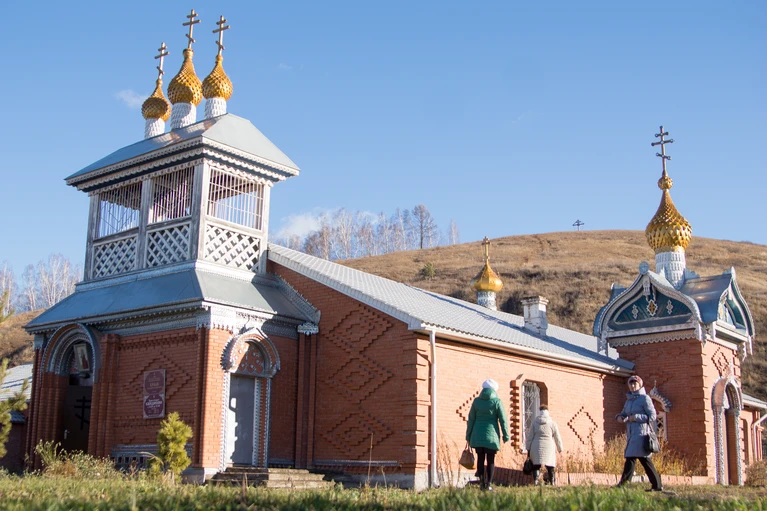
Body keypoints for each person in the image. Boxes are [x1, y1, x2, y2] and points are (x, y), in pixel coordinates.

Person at [615, 375, 663, 491]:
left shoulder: (645, 398)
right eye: (630, 384)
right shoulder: (629, 401)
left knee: (639, 459)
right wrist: (619, 417)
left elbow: (652, 416)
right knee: (634, 459)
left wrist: (636, 417)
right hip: (632, 434)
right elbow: (624, 413)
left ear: (640, 385)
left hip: (642, 434)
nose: (632, 386)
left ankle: (624, 485)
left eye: (635, 383)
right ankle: (656, 485)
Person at [466, 379, 510, 491]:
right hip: (492, 435)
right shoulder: (497, 402)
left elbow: (471, 419)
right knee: (490, 460)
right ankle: (489, 484)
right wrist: (506, 435)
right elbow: (503, 420)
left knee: (480, 458)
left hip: (477, 435)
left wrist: (468, 435)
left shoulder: (476, 401)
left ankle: (481, 483)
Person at [525, 404, 564, 485]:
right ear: (547, 412)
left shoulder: (534, 423)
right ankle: (552, 482)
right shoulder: (552, 424)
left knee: (536, 465)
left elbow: (530, 437)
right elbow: (557, 437)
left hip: (536, 446)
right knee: (550, 465)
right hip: (549, 446)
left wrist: (528, 448)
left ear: (540, 412)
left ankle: (536, 481)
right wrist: (560, 449)